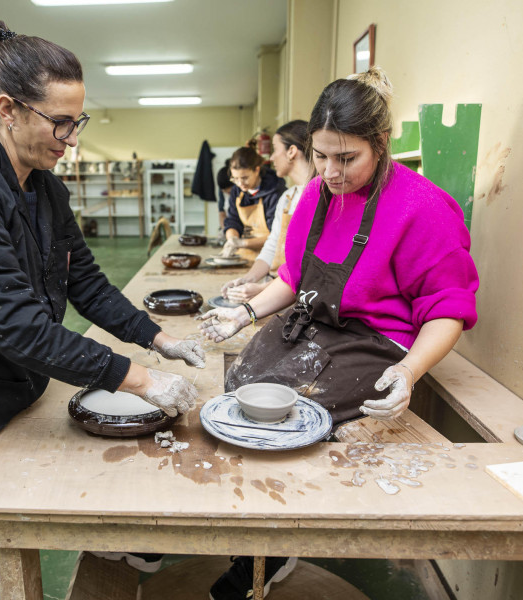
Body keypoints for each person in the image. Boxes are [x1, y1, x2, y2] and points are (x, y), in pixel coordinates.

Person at [0, 20, 204, 600]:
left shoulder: (46, 186)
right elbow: (14, 324)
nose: (70, 137)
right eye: (60, 121)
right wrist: (137, 379)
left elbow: (83, 280)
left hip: (21, 391)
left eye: (77, 120)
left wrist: (156, 338)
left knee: (14, 545)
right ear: (8, 108)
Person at [199, 67, 479, 599]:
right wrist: (247, 315)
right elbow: (292, 280)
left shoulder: (423, 207)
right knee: (243, 385)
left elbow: (447, 308)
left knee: (299, 411)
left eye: (346, 158)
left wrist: (409, 370)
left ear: (380, 142)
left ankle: (273, 550)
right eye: (321, 155)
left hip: (380, 341)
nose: (330, 171)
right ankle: (244, 532)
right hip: (316, 322)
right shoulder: (312, 198)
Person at [220, 120, 312, 303]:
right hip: (277, 288)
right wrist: (247, 280)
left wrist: (264, 289)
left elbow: (310, 266)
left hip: (304, 298)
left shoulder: (322, 196)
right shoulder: (288, 197)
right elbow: (272, 246)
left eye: (275, 149)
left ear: (292, 151)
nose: (271, 158)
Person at [220, 146, 286, 256]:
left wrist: (243, 243)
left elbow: (277, 234)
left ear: (256, 170)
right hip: (245, 253)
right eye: (235, 179)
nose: (240, 183)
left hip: (270, 254)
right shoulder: (237, 191)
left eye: (245, 177)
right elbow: (233, 220)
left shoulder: (275, 192)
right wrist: (232, 239)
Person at [216, 160, 233, 235]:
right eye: (223, 190)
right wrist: (224, 230)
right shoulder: (222, 191)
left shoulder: (241, 190)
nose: (224, 191)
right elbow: (222, 212)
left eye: (227, 189)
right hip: (229, 227)